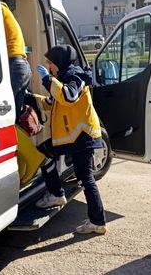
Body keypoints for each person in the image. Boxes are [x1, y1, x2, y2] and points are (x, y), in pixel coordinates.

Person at [30, 45, 107, 235]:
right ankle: (57, 194)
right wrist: (29, 98)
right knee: (45, 153)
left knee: (86, 178)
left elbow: (68, 96)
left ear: (59, 63)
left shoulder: (75, 76)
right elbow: (51, 103)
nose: (48, 66)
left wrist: (48, 80)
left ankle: (97, 222)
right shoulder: (64, 78)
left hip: (82, 136)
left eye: (50, 63)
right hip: (73, 136)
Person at [1, 1, 31, 121]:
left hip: (15, 65)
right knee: (14, 115)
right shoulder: (6, 12)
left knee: (3, 109)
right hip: (23, 66)